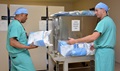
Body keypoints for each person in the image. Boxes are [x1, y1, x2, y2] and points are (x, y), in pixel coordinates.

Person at [67, 2, 116, 71]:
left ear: (103, 10)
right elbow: (105, 37)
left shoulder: (103, 22)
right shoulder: (110, 21)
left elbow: (93, 37)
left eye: (97, 10)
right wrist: (95, 44)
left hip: (103, 54)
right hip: (109, 53)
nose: (95, 13)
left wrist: (75, 41)